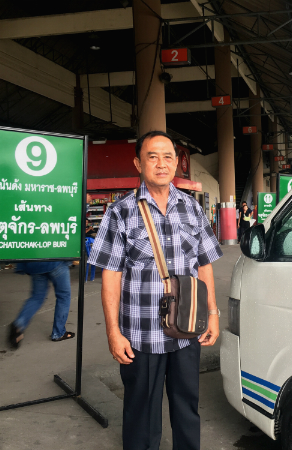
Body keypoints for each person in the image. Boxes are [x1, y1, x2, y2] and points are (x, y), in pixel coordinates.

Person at [87, 130, 223, 450]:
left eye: (168, 156)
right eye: (152, 156)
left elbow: (204, 264)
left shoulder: (192, 208)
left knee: (187, 407)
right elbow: (110, 274)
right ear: (138, 163)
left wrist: (213, 313)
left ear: (176, 162)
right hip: (140, 332)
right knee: (141, 414)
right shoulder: (120, 212)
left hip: (187, 327)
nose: (161, 164)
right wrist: (112, 332)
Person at [8, 261, 75, 347]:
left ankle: (19, 323)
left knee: (37, 297)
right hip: (55, 261)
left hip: (35, 263)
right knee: (63, 296)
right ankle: (58, 333)